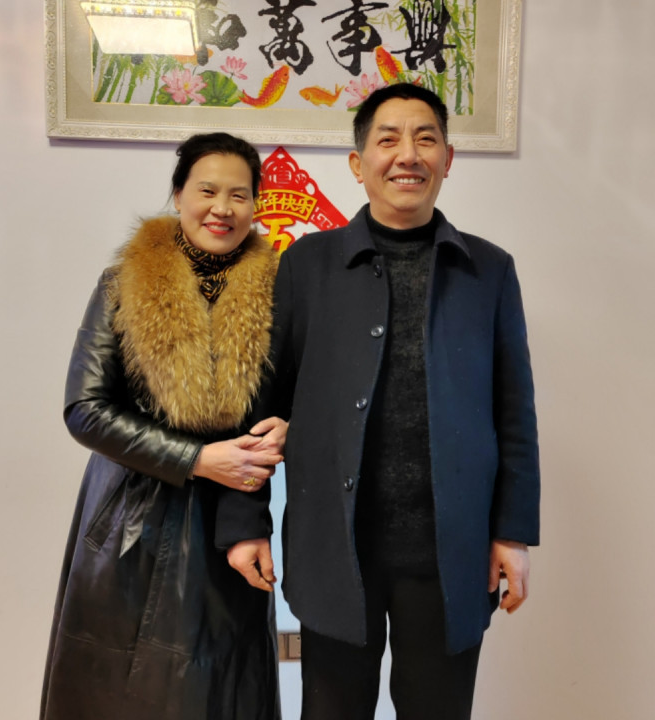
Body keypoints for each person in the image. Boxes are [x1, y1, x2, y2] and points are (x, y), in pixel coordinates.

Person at [221, 83, 540, 719]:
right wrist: (245, 522)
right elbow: (261, 403)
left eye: (426, 139)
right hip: (335, 548)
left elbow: (514, 413)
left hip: (449, 551)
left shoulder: (489, 271)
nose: (407, 155)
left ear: (448, 159)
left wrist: (512, 532)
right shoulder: (306, 265)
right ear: (357, 162)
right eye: (387, 139)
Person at [41, 132, 285, 720]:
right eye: (206, 191)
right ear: (178, 195)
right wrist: (196, 459)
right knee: (122, 692)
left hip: (230, 521)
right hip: (132, 522)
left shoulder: (281, 291)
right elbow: (85, 410)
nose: (222, 209)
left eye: (239, 195)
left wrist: (289, 428)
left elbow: (300, 394)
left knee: (220, 690)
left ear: (256, 205)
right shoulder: (123, 282)